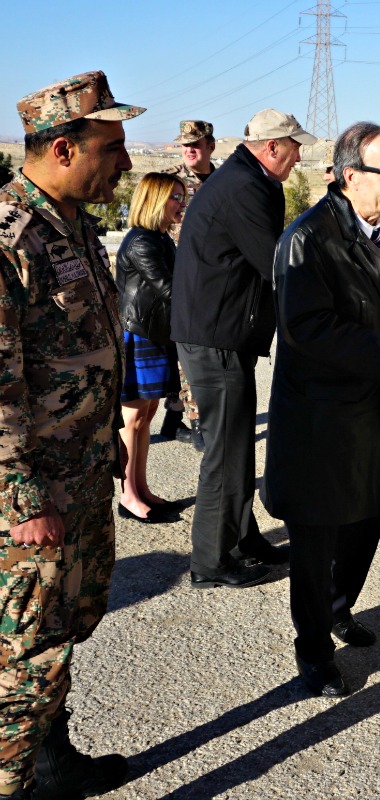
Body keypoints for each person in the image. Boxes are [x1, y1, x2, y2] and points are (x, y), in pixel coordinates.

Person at [0, 70, 142, 800]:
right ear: (62, 147)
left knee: (66, 631)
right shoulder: (9, 236)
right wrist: (23, 499)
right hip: (33, 495)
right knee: (24, 664)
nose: (125, 161)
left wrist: (109, 441)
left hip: (81, 471)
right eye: (111, 146)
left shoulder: (75, 223)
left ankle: (53, 765)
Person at [264, 122, 380, 698]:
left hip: (367, 411)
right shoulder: (308, 238)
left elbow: (377, 313)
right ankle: (312, 650)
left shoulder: (379, 227)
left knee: (363, 524)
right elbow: (307, 329)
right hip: (319, 420)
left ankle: (339, 610)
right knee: (315, 542)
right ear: (350, 175)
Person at [173, 108, 314, 589]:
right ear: (273, 147)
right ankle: (211, 561)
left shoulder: (246, 178)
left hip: (224, 334)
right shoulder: (243, 187)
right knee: (225, 453)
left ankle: (242, 537)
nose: (299, 157)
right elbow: (277, 262)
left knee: (235, 451)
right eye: (295, 147)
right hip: (216, 338)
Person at [115, 172, 188, 523]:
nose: (181, 202)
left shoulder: (160, 239)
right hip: (137, 333)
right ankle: (128, 496)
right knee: (132, 419)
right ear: (155, 199)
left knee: (146, 416)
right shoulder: (142, 241)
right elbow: (170, 290)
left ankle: (141, 489)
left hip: (154, 333)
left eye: (182, 196)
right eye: (175, 196)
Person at [162, 119, 217, 448]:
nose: (190, 150)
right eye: (185, 145)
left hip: (212, 276)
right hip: (177, 274)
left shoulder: (224, 179)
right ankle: (196, 423)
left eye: (196, 144)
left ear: (211, 145)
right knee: (184, 349)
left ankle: (174, 417)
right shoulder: (170, 179)